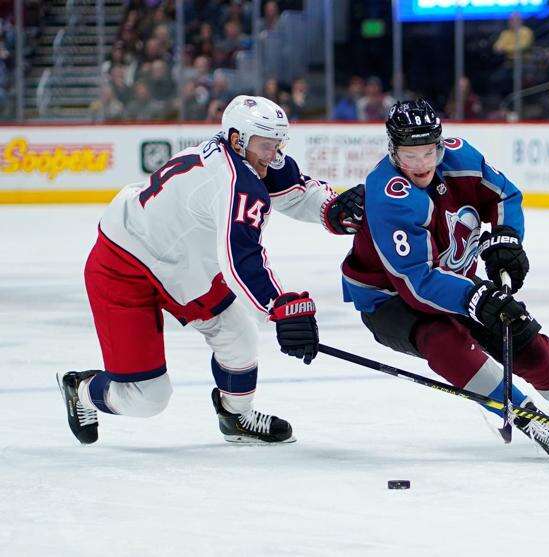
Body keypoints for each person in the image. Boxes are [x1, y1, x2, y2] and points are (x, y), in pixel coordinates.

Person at [340, 99, 549, 459]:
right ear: (393, 150)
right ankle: (524, 414)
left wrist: (507, 238)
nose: (421, 164)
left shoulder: (460, 159)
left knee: (517, 329)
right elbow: (417, 282)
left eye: (428, 152)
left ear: (440, 144)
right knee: (443, 340)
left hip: (452, 280)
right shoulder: (388, 195)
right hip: (390, 297)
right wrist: (476, 298)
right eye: (410, 155)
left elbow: (505, 195)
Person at [57, 95, 364, 446]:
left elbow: (293, 191)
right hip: (124, 266)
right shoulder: (234, 181)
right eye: (266, 145)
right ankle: (80, 390)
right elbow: (239, 258)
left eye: (278, 145)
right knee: (147, 399)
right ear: (238, 139)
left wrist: (332, 208)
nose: (273, 155)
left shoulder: (246, 157)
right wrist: (278, 306)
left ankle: (237, 416)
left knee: (240, 337)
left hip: (184, 269)